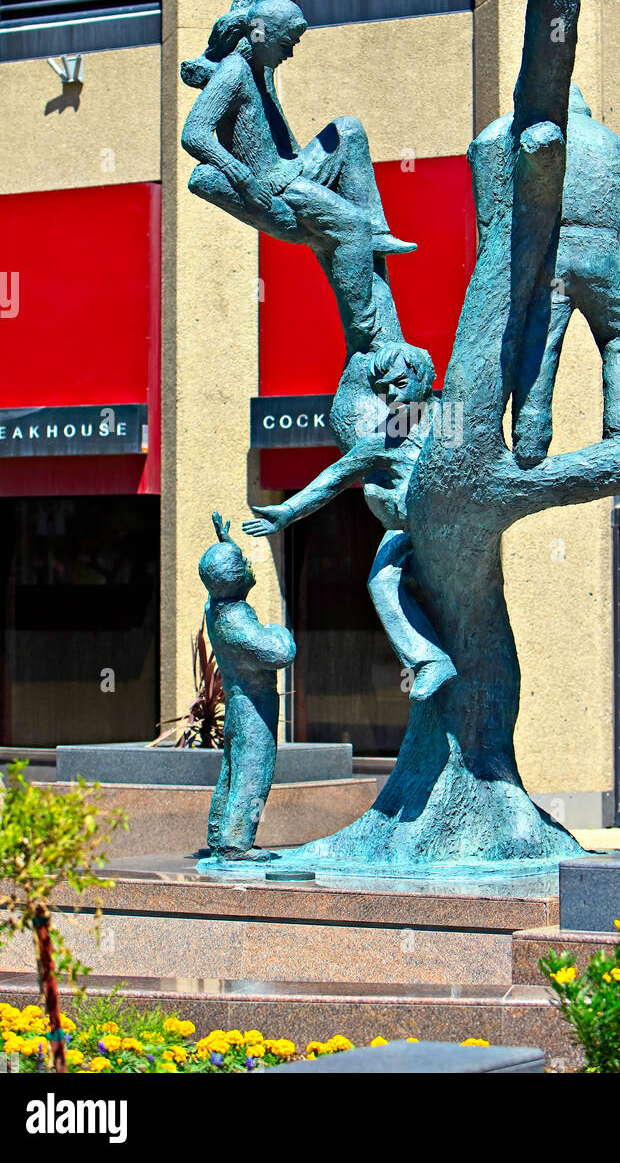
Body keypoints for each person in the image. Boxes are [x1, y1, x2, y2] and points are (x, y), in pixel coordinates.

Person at [180, 0, 413, 352]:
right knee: (347, 229)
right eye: (289, 41)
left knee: (349, 132)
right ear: (266, 36)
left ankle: (377, 228)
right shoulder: (235, 71)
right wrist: (240, 174)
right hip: (276, 185)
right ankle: (370, 337)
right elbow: (195, 134)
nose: (291, 51)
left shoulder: (257, 59)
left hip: (294, 167)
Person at [242, 343, 457, 704]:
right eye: (383, 389)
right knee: (381, 580)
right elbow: (334, 478)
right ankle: (430, 659)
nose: (391, 395)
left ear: (424, 378)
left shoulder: (454, 420)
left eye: (400, 383)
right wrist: (288, 511)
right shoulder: (387, 438)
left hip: (456, 525)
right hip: (410, 531)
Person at [512, 83, 620, 466]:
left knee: (542, 340)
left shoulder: (540, 136)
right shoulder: (613, 143)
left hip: (555, 255)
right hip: (601, 254)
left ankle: (530, 440)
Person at [200, 512, 296, 860]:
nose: (249, 562)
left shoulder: (217, 606)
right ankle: (236, 843)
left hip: (239, 704)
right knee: (254, 768)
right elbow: (280, 652)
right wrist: (279, 630)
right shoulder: (237, 619)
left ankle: (219, 832)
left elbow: (225, 580)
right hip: (255, 705)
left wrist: (228, 546)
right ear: (237, 579)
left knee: (232, 768)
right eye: (243, 563)